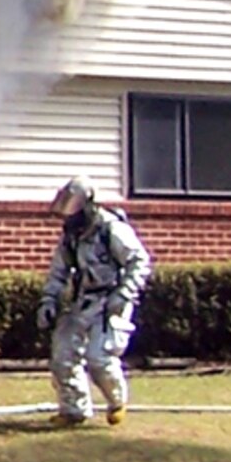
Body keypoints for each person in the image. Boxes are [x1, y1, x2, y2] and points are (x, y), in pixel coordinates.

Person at [37, 175, 152, 427]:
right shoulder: (70, 237)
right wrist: (49, 301)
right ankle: (73, 410)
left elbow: (139, 261)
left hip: (110, 299)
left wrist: (124, 294)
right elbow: (59, 271)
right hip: (80, 300)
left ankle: (116, 401)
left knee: (99, 358)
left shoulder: (111, 229)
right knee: (63, 355)